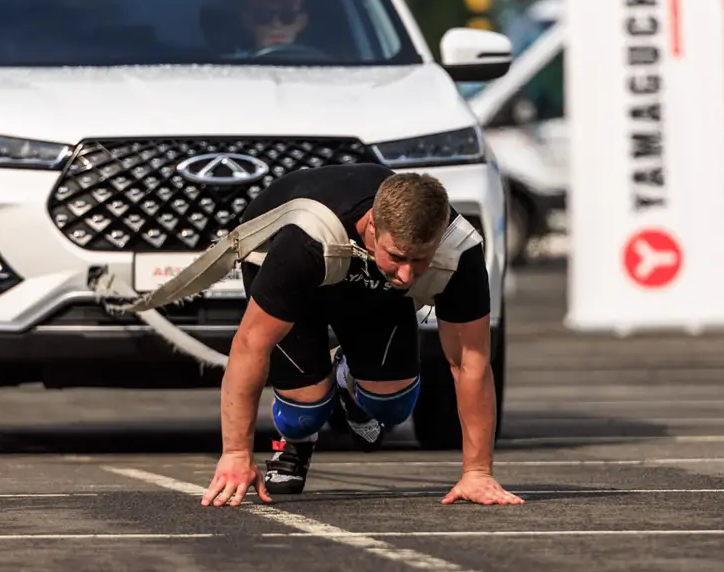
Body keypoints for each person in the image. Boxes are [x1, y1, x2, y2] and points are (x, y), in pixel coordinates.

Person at [199, 162, 525, 508]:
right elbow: (250, 345)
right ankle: (297, 441)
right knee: (304, 413)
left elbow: (470, 361)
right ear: (371, 226)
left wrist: (478, 471)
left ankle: (347, 377)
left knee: (393, 406)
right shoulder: (304, 241)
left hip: (367, 277)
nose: (406, 274)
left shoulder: (460, 251)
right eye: (398, 256)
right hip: (299, 256)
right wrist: (235, 453)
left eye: (421, 260)